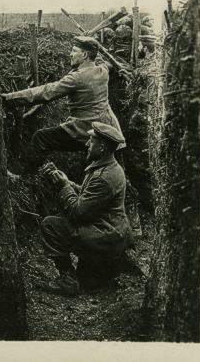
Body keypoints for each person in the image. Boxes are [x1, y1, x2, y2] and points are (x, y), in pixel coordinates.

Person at [39, 122, 133, 296]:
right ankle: (93, 277)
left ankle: (68, 281)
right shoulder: (108, 166)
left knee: (50, 225)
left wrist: (63, 186)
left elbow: (77, 213)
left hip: (105, 236)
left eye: (92, 141)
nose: (87, 144)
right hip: (110, 232)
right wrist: (66, 181)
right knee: (89, 280)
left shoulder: (104, 176)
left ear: (103, 146)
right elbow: (88, 195)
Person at [1, 36, 125, 167]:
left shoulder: (77, 78)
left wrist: (10, 98)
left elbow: (46, 91)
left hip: (86, 128)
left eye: (73, 51)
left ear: (84, 55)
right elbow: (107, 64)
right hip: (110, 128)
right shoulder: (102, 70)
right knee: (114, 167)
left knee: (41, 138)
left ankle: (28, 177)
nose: (70, 54)